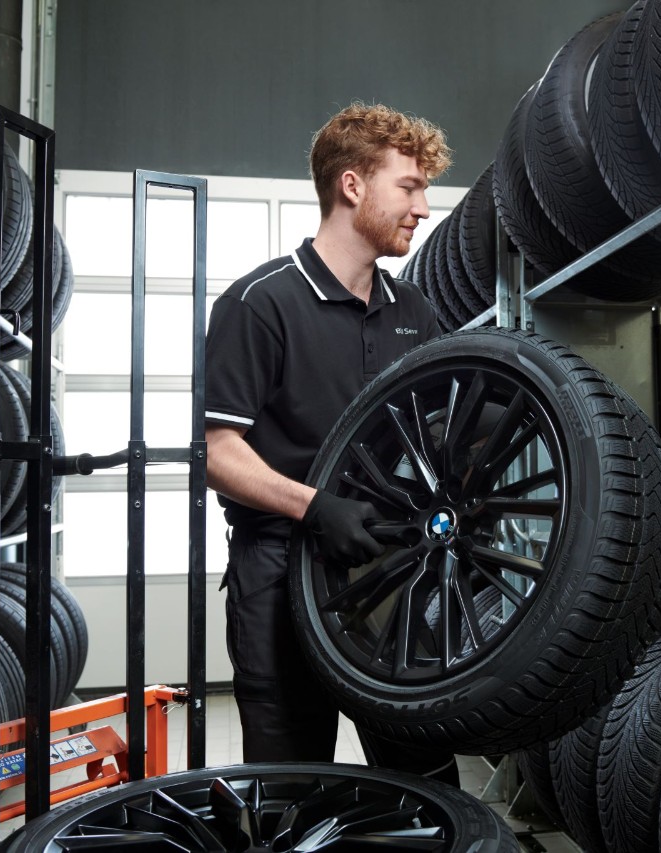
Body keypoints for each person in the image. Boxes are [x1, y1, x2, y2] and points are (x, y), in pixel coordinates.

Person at [204, 103, 458, 783]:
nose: (423, 207)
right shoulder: (260, 303)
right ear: (352, 186)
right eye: (408, 187)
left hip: (389, 569)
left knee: (423, 775)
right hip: (281, 569)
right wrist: (316, 507)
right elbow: (218, 452)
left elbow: (435, 435)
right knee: (292, 786)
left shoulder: (415, 313)